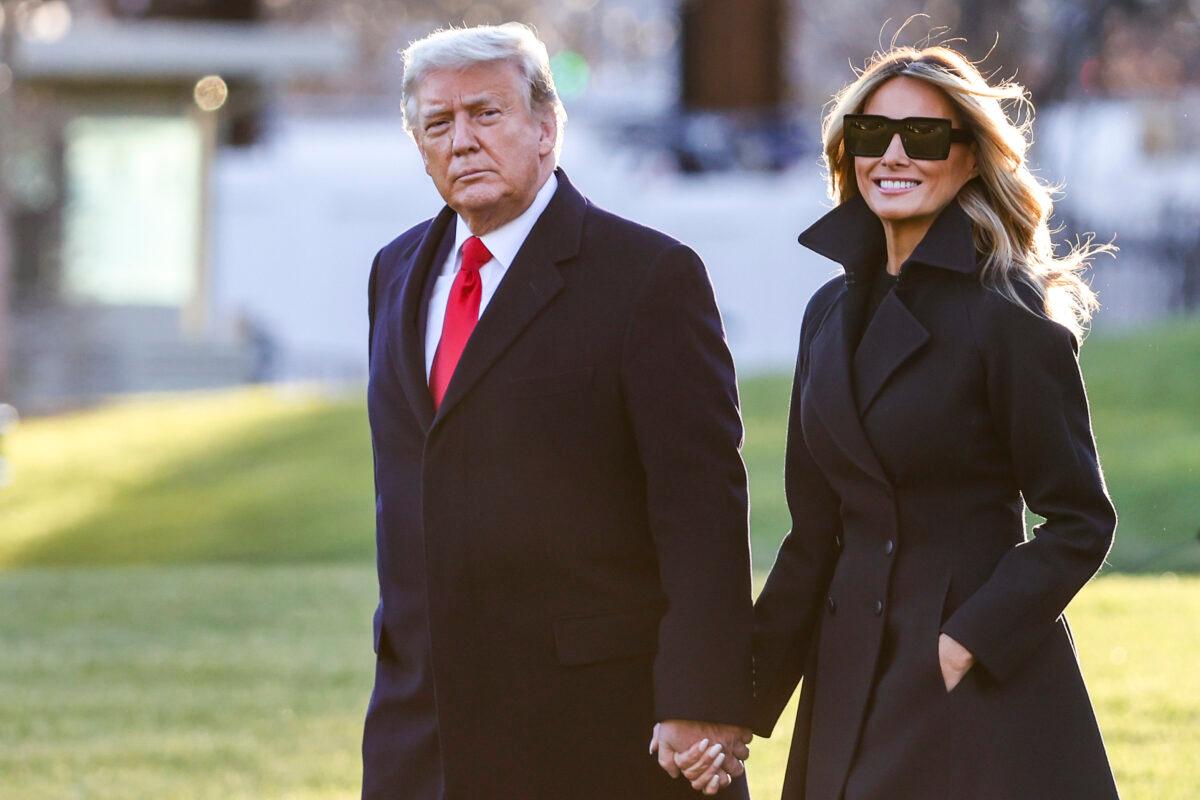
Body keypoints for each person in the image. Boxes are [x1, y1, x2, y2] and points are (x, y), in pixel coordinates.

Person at [682, 45, 1120, 799]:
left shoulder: (1006, 318)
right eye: (870, 135)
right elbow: (814, 539)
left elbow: (1081, 519)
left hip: (971, 687)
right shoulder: (825, 316)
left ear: (970, 158)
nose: (892, 156)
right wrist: (737, 707)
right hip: (850, 673)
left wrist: (968, 639)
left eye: (922, 137)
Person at [362, 23, 753, 799]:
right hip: (422, 730)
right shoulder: (395, 271)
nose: (462, 140)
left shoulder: (648, 277)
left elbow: (703, 509)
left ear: (546, 128)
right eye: (438, 123)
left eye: (486, 113)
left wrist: (700, 699)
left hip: (595, 728)